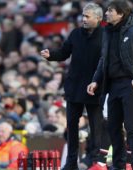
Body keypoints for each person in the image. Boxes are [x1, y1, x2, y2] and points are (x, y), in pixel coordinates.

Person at [87, 1, 133, 169]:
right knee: (113, 127)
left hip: (130, 83)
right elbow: (104, 60)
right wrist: (96, 80)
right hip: (112, 85)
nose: (107, 14)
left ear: (121, 14)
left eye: (110, 11)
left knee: (131, 127)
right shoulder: (108, 32)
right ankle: (119, 165)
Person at [40, 3, 104, 170]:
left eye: (87, 16)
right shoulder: (75, 34)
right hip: (74, 86)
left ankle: (96, 161)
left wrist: (101, 82)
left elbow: (108, 62)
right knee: (72, 127)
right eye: (83, 15)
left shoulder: (106, 36)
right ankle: (71, 162)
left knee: (96, 127)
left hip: (94, 87)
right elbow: (64, 52)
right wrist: (51, 55)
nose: (83, 19)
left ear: (98, 18)